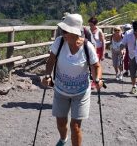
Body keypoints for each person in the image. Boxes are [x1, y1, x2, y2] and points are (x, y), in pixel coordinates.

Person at [42, 13, 103, 146]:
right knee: (61, 122)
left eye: (66, 30)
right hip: (60, 90)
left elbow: (96, 66)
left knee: (75, 126)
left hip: (81, 92)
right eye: (62, 30)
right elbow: (51, 60)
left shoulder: (87, 47)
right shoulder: (59, 42)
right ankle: (63, 139)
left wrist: (97, 79)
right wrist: (47, 76)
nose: (63, 32)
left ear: (75, 32)